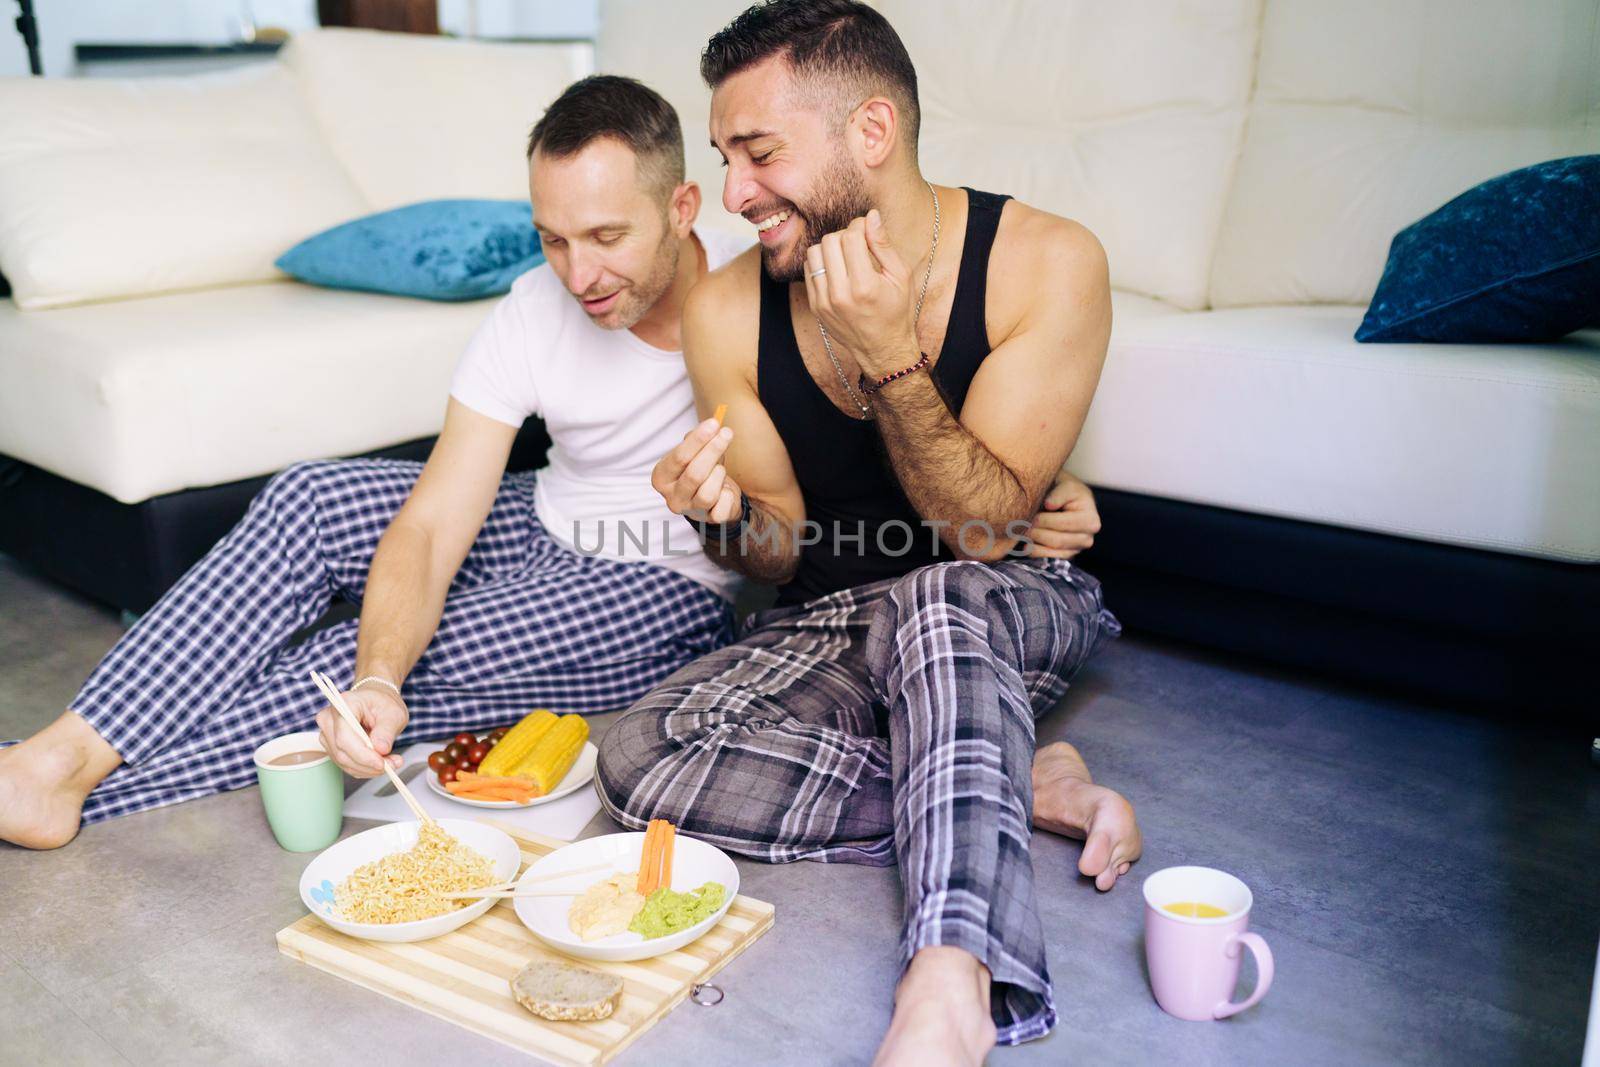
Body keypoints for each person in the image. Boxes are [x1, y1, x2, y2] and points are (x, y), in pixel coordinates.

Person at [0, 74, 1101, 852]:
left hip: (650, 581)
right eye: (553, 237)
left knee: (344, 657)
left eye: (608, 237)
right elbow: (434, 520)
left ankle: (82, 786)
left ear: (680, 211)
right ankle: (57, 752)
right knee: (313, 503)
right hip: (543, 515)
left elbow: (871, 449)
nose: (579, 272)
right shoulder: (539, 305)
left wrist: (1037, 488)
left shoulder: (756, 285)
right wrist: (382, 670)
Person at [594, 4, 1141, 1064]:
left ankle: (949, 981)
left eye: (759, 154)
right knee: (640, 759)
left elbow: (979, 535)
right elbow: (779, 551)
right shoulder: (725, 309)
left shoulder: (1047, 260)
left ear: (872, 133)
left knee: (937, 592)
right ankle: (1005, 771)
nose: (737, 193)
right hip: (837, 611)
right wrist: (723, 522)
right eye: (726, 157)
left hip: (1004, 590)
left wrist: (891, 353)